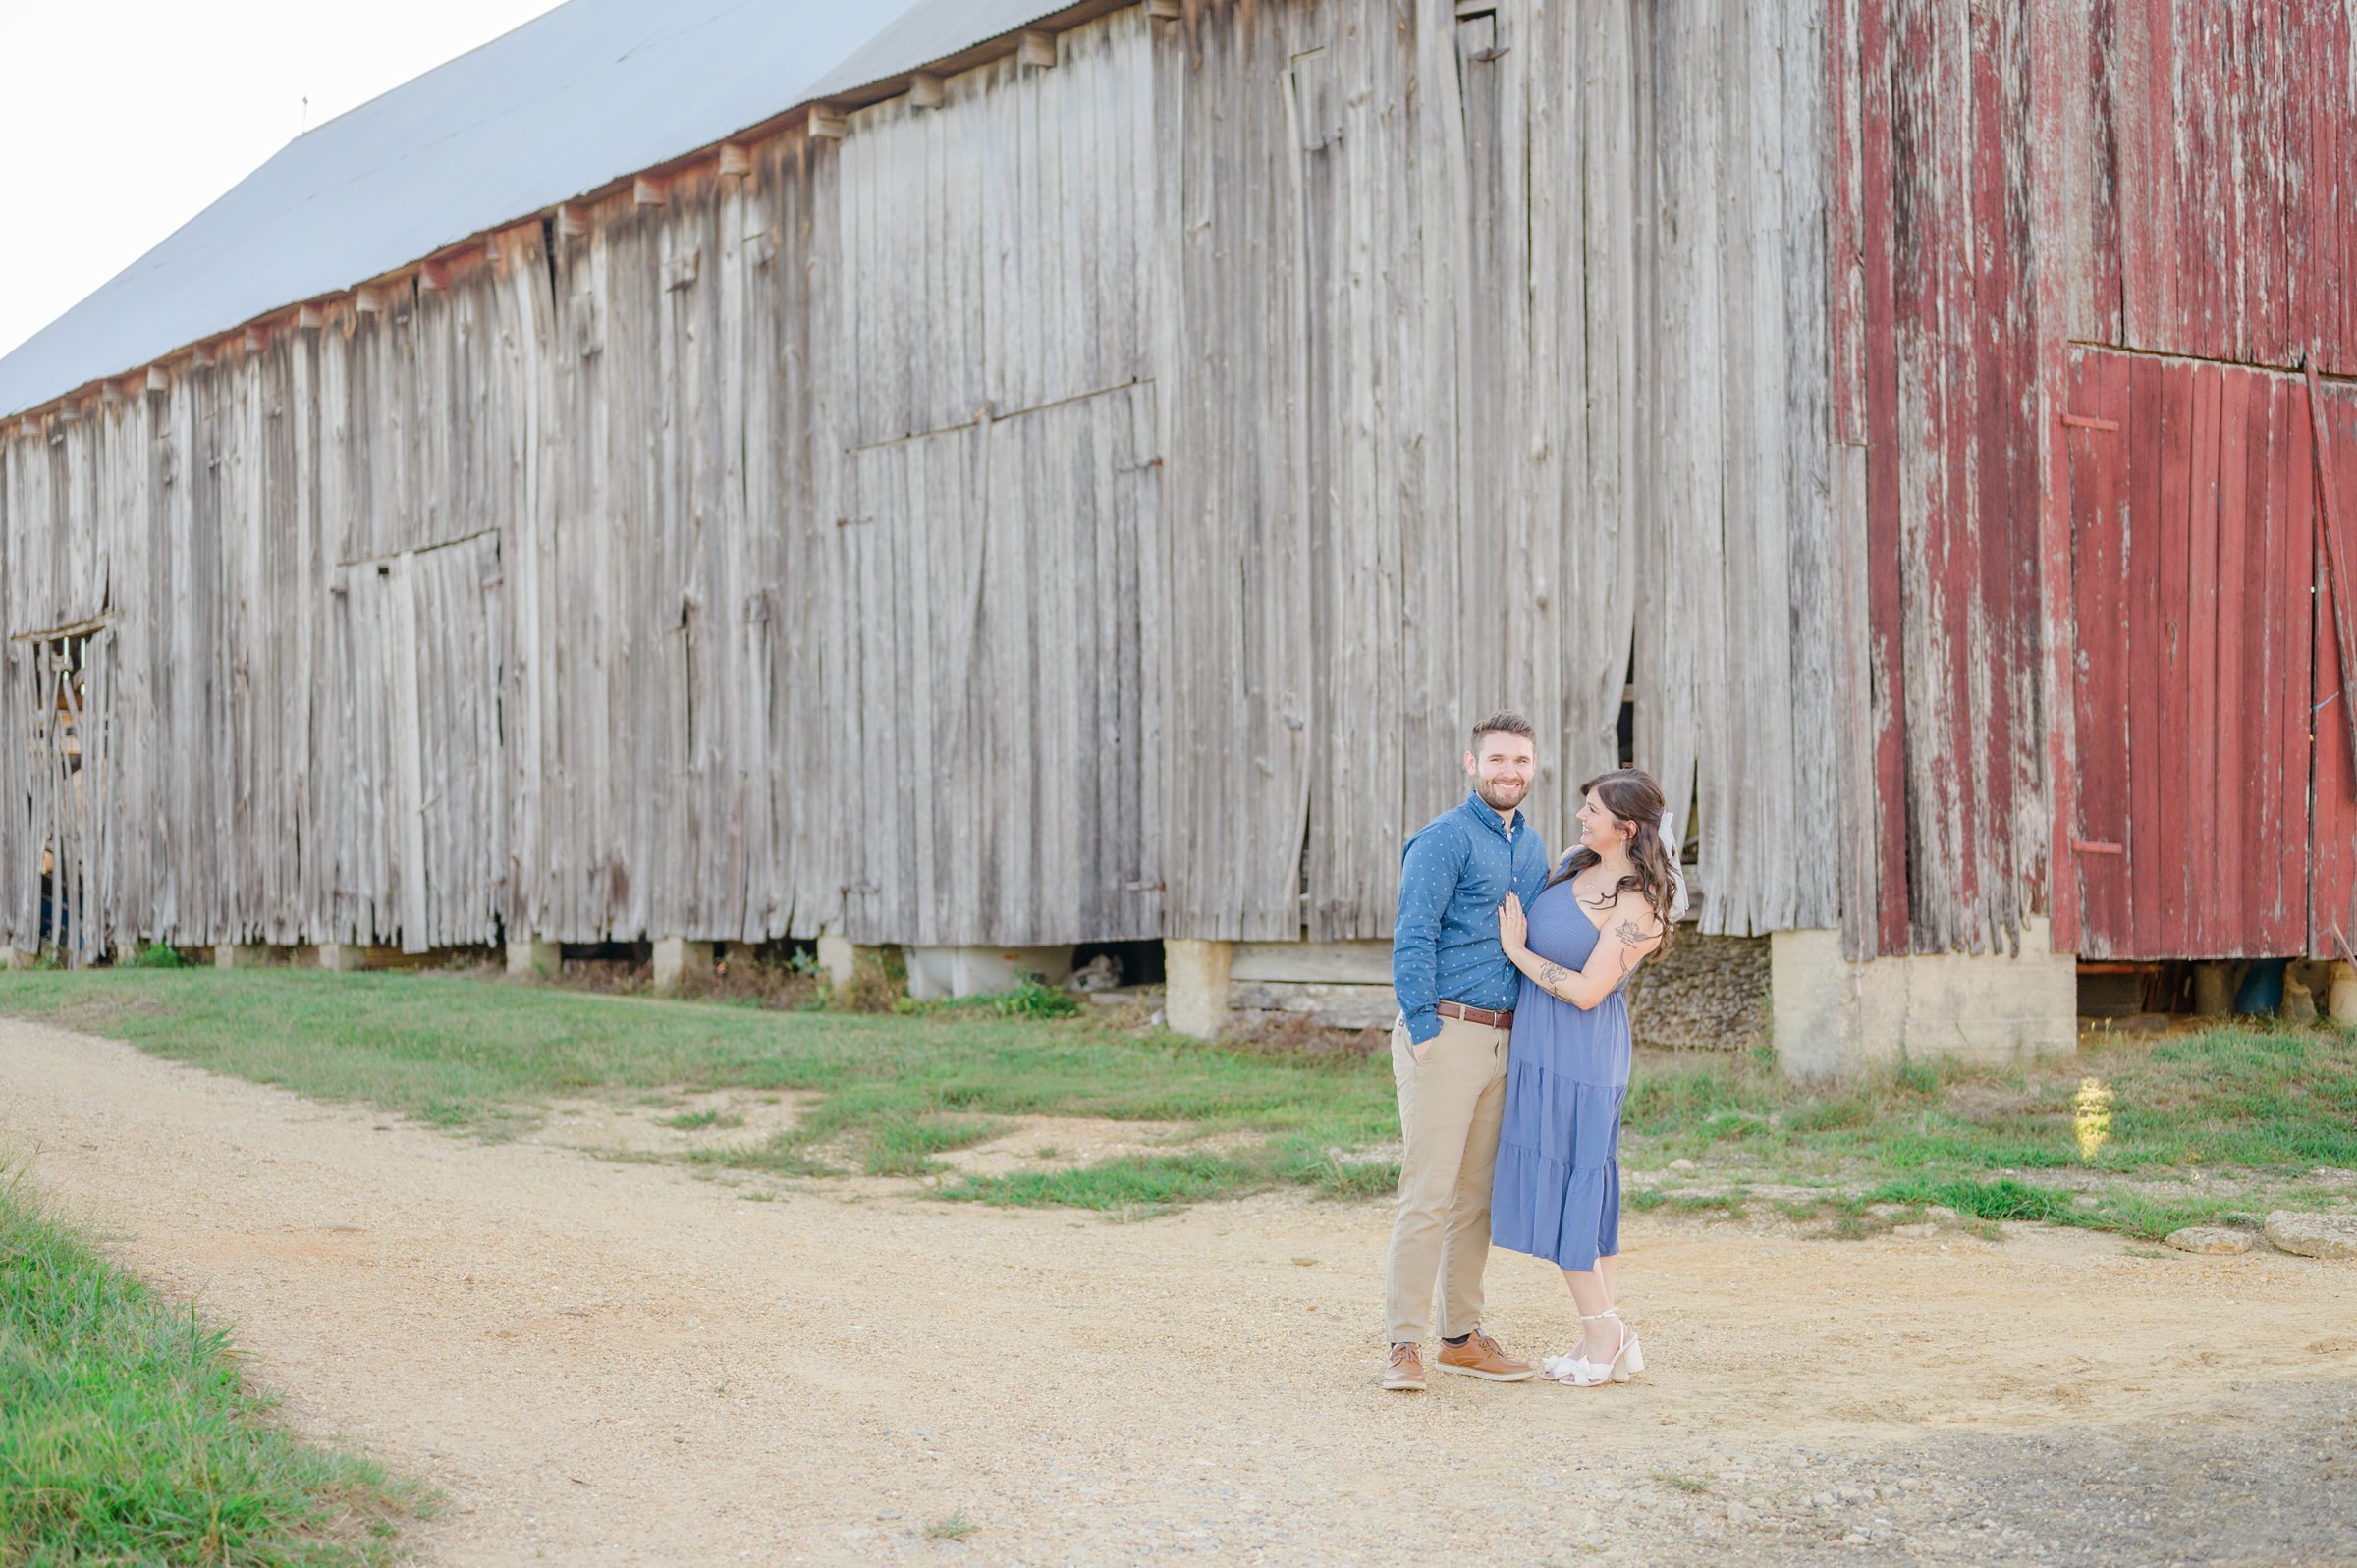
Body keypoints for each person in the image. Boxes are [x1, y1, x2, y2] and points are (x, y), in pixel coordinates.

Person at [1490, 768, 1686, 1387]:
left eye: (1593, 810)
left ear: (1626, 827)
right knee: (1577, 1189)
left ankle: (1607, 1334)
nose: (1581, 817)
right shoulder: (1576, 863)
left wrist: (1517, 954)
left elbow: (1587, 990)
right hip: (1540, 1048)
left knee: (1577, 1189)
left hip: (1582, 1056)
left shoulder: (1640, 907)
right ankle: (1601, 1333)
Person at [1380, 712, 1554, 1392]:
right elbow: (1413, 933)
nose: (1510, 770)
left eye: (1521, 760)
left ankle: (1461, 1336)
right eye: (1498, 759)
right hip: (1444, 1034)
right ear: (1471, 763)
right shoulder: (1444, 838)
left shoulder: (1533, 846)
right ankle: (1403, 1343)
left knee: (1475, 1197)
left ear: (1533, 767)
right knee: (1428, 1191)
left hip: (1504, 1036)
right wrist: (1423, 1026)